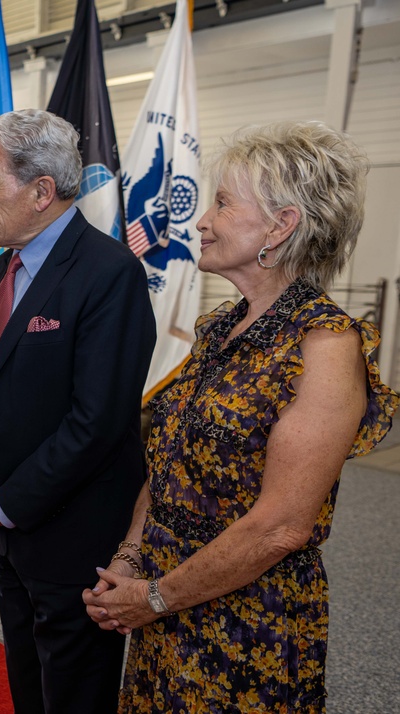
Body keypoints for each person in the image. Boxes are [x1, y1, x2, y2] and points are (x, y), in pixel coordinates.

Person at [82, 121, 399, 712]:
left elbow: (282, 526)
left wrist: (153, 597)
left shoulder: (325, 347)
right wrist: (131, 557)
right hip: (164, 596)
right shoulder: (221, 327)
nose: (202, 220)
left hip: (245, 622)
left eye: (223, 203)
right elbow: (171, 461)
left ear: (282, 226)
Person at [0, 108, 157, 713]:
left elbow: (97, 423)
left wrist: (4, 505)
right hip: (10, 534)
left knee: (73, 694)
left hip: (72, 536)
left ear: (42, 191)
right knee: (28, 685)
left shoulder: (109, 274)